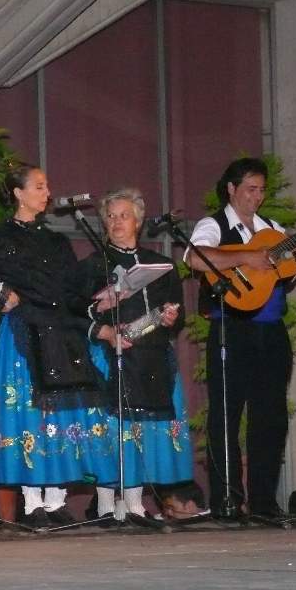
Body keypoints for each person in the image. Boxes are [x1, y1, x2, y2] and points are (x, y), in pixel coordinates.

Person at [185, 158, 296, 519]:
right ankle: (226, 501)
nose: (256, 197)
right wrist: (248, 257)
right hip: (231, 329)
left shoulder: (273, 229)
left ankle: (263, 501)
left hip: (271, 333)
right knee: (226, 415)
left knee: (271, 417)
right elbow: (195, 258)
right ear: (231, 189)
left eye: (261, 190)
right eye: (250, 189)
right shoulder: (213, 224)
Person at [0, 166, 111, 528]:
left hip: (60, 334)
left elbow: (71, 292)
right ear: (18, 193)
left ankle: (55, 500)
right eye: (39, 186)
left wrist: (96, 303)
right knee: (29, 414)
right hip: (25, 334)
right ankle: (31, 500)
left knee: (59, 416)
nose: (47, 192)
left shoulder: (57, 242)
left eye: (47, 186)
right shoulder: (0, 237)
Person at [80, 188, 194, 520]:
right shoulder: (93, 265)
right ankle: (105, 505)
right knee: (111, 429)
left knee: (142, 431)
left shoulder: (162, 264)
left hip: (151, 355)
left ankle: (133, 503)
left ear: (138, 221)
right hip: (110, 353)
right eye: (111, 216)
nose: (116, 222)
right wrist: (102, 316)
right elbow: (78, 312)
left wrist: (171, 317)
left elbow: (178, 314)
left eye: (124, 216)